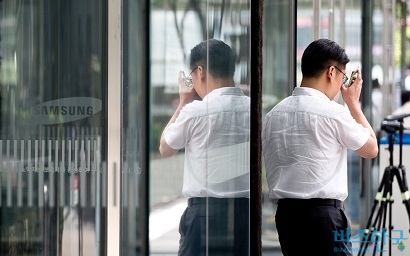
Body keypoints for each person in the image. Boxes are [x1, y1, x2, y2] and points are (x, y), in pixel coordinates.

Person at [262, 38, 378, 256]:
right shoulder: (332, 112)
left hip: (286, 217)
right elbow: (371, 148)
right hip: (325, 218)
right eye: (343, 77)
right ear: (331, 72)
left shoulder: (273, 114)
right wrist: (353, 104)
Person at [159, 39, 250, 256]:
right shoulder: (252, 109)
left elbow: (166, 147)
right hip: (245, 215)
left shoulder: (196, 111)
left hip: (203, 215)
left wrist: (183, 101)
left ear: (200, 71)